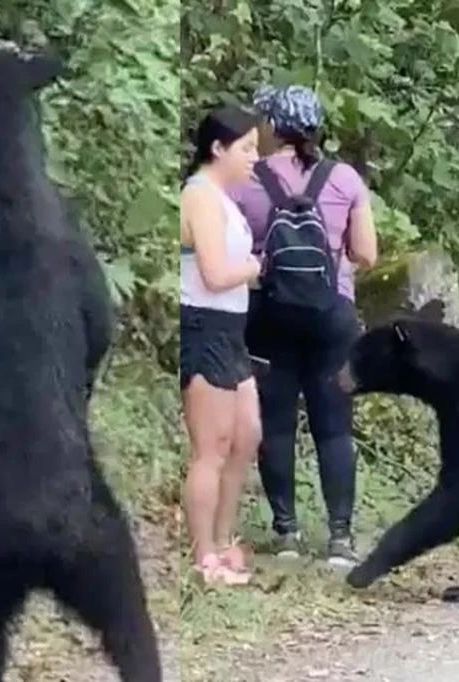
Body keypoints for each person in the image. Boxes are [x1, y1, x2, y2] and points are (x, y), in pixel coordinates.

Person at [228, 84, 378, 568]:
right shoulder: (346, 179)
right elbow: (366, 255)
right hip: (334, 315)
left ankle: (287, 534)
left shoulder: (247, 180)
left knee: (276, 424)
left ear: (273, 127)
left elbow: (234, 250)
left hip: (269, 315)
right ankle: (339, 539)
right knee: (334, 427)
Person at [180, 103, 264, 586]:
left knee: (246, 435)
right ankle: (203, 554)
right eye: (247, 148)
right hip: (205, 326)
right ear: (218, 148)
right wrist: (256, 267)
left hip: (232, 329)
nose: (254, 158)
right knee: (210, 446)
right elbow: (214, 275)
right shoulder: (200, 197)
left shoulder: (226, 199)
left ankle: (225, 535)